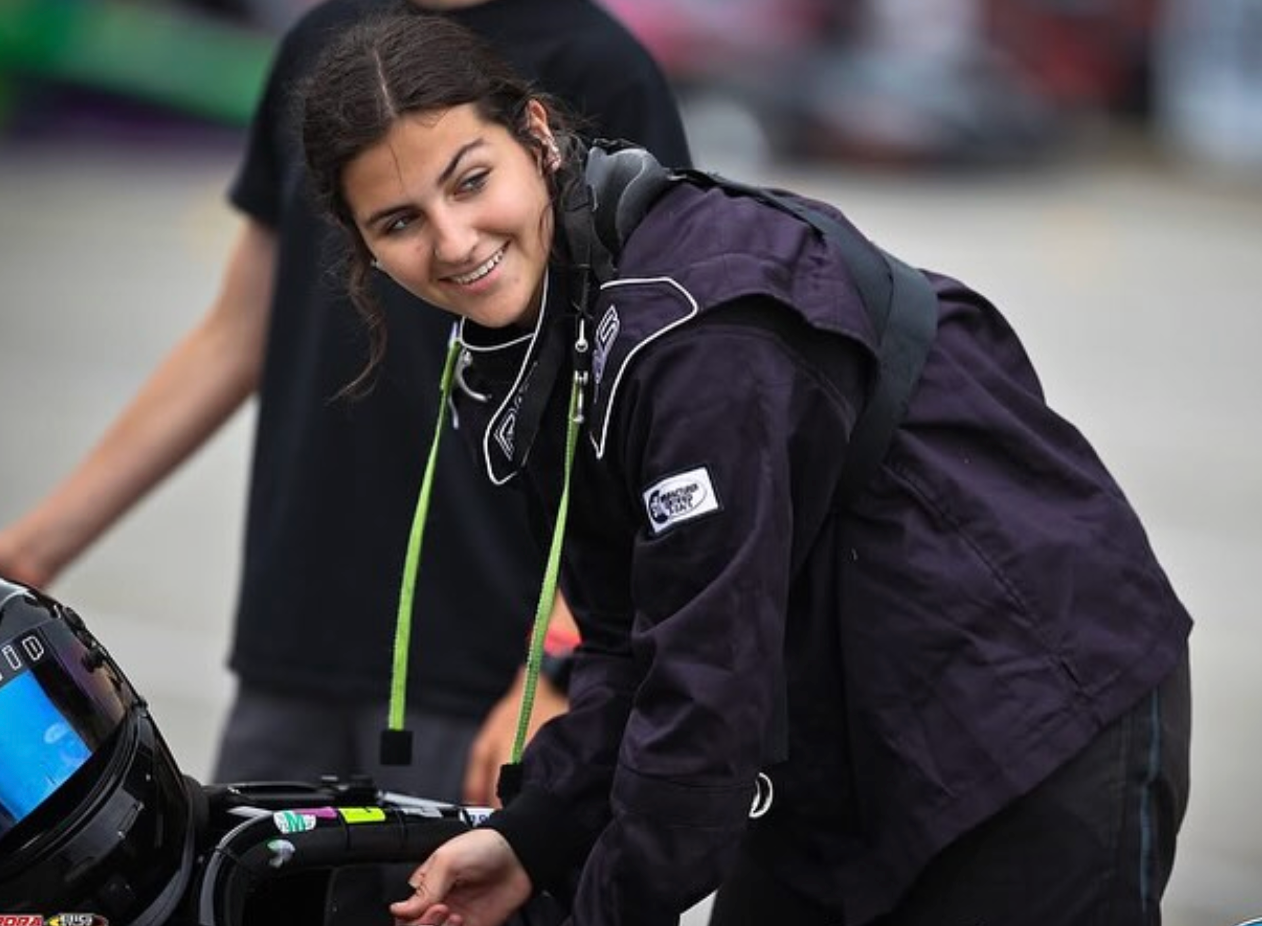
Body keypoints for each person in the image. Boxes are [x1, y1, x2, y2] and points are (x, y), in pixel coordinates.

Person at [297, 11, 1192, 926]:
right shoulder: (541, 327)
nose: (453, 241)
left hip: (1033, 713)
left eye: (471, 181)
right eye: (401, 222)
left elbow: (706, 691)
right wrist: (535, 836)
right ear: (363, 245)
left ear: (536, 135)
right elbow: (630, 641)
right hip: (841, 737)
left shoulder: (693, 332)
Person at [0, 0, 689, 921]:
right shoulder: (317, 48)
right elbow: (237, 330)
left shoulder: (599, 64)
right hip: (296, 648)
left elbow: (642, 385)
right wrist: (29, 554)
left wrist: (562, 663)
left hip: (493, 678)